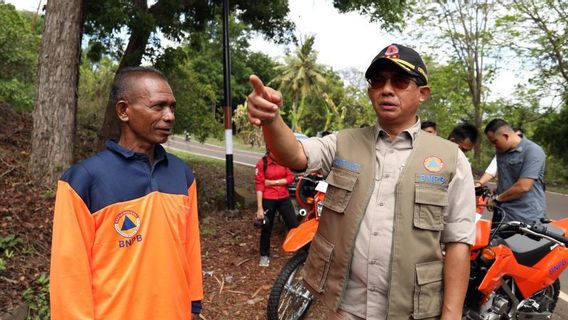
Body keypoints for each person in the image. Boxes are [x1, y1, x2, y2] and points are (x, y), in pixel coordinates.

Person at [247, 43, 475, 319]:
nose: (387, 89)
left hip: (412, 310)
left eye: (400, 81)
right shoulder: (344, 142)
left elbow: (458, 242)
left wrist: (450, 316)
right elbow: (295, 154)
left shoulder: (450, 158)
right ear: (370, 91)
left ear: (422, 93)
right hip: (347, 306)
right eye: (378, 81)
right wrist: (272, 119)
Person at [50, 67, 203, 319]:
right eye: (158, 106)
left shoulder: (181, 174)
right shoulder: (84, 180)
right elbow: (69, 276)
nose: (169, 116)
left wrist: (193, 304)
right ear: (123, 111)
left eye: (172, 107)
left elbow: (190, 248)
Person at [484, 119, 546, 223]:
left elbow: (523, 187)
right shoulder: (501, 152)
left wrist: (496, 200)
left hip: (526, 217)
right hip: (503, 213)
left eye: (495, 141)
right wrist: (499, 189)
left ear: (505, 136)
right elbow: (505, 176)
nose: (494, 146)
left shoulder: (533, 151)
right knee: (493, 239)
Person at [254, 149, 298, 267]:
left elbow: (290, 178)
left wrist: (272, 182)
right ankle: (264, 255)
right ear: (269, 150)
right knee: (266, 228)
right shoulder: (262, 163)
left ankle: (301, 253)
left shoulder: (284, 160)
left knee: (294, 225)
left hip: (284, 198)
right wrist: (259, 208)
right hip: (268, 199)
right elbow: (259, 185)